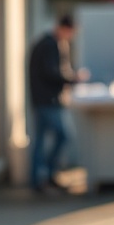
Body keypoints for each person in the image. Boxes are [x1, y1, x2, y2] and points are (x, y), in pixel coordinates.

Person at [28, 15, 86, 193]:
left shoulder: (51, 43)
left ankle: (41, 178)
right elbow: (51, 72)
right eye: (71, 33)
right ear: (64, 28)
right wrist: (73, 78)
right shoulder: (49, 45)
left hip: (43, 99)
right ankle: (45, 174)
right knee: (63, 136)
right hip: (48, 100)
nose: (71, 37)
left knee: (41, 140)